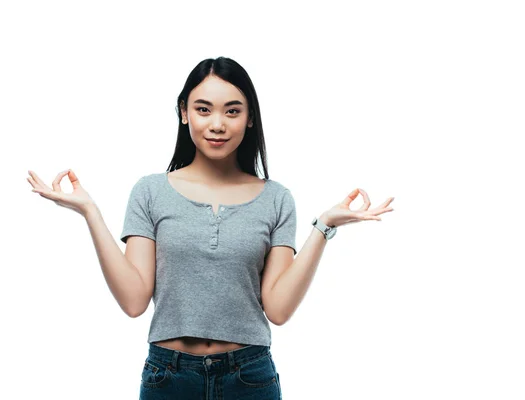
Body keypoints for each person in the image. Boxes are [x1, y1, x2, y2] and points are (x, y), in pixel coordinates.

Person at [26, 56, 395, 399]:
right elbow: (134, 299)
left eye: (232, 111)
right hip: (168, 376)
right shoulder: (150, 191)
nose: (217, 124)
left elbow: (279, 309)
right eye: (204, 109)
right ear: (184, 113)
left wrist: (324, 228)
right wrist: (90, 212)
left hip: (249, 376)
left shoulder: (277, 199)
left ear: (250, 118)